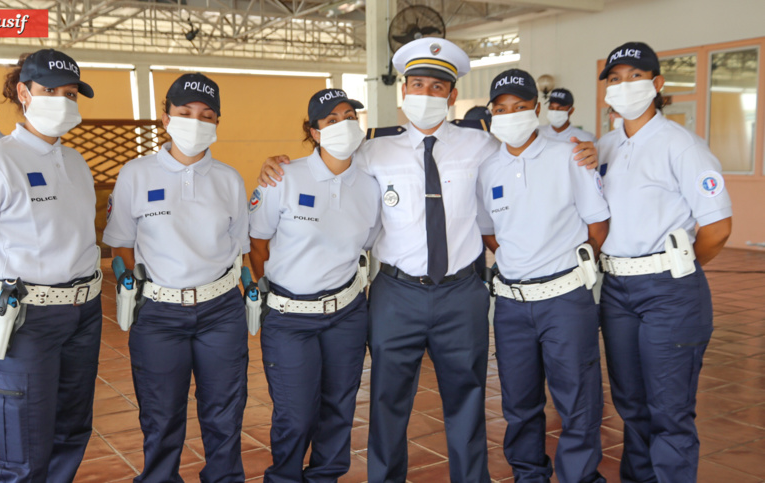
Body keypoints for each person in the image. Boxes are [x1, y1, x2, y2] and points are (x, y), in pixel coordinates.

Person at [257, 37, 600, 483]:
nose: (425, 95)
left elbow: (527, 161)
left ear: (452, 96)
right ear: (404, 93)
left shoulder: (483, 146)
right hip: (396, 294)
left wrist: (589, 151)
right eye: (416, 84)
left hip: (462, 293)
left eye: (437, 88)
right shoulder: (372, 149)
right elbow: (327, 165)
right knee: (386, 402)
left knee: (468, 399)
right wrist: (275, 166)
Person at [0, 49, 102, 482]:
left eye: (70, 93)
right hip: (26, 318)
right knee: (25, 445)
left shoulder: (75, 162)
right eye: (49, 90)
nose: (62, 100)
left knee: (72, 430)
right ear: (23, 91)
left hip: (84, 312)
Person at [103, 73, 250, 483]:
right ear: (165, 118)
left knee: (224, 410)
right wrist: (135, 288)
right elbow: (121, 244)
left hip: (221, 310)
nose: (196, 122)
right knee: (160, 412)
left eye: (207, 115)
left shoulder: (229, 179)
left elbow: (239, 249)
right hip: (159, 312)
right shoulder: (136, 173)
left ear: (218, 122)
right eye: (185, 113)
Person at [596, 42, 732, 483]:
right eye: (615, 79)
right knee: (631, 405)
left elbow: (718, 227)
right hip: (616, 290)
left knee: (669, 409)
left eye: (635, 77)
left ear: (656, 84)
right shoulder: (604, 147)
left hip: (669, 291)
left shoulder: (682, 145)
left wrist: (679, 269)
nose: (624, 86)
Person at [479, 68, 609, 483]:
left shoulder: (567, 155)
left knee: (577, 400)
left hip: (565, 300)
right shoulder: (487, 169)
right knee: (519, 402)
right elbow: (488, 231)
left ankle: (579, 476)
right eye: (501, 109)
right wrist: (522, 260)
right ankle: (528, 474)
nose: (511, 115)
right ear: (491, 115)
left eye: (520, 107)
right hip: (512, 305)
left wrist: (560, 262)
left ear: (536, 110)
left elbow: (597, 225)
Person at [248, 88, 380, 482]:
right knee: (296, 413)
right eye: (331, 120)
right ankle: (284, 477)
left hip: (347, 314)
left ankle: (326, 476)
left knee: (339, 408)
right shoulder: (284, 177)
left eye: (349, 116)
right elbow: (257, 244)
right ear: (314, 131)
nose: (343, 125)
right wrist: (270, 293)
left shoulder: (370, 184)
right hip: (290, 317)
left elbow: (370, 244)